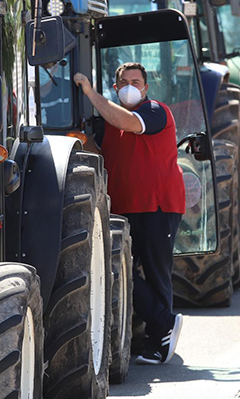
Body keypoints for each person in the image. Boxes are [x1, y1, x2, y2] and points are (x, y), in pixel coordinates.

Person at [73, 63, 185, 365]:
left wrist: (89, 92)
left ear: (146, 87)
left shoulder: (154, 111)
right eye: (123, 81)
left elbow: (126, 121)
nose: (130, 86)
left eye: (135, 81)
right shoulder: (108, 122)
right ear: (115, 88)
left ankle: (160, 336)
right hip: (125, 207)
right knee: (123, 274)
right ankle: (157, 327)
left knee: (156, 273)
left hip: (157, 204)